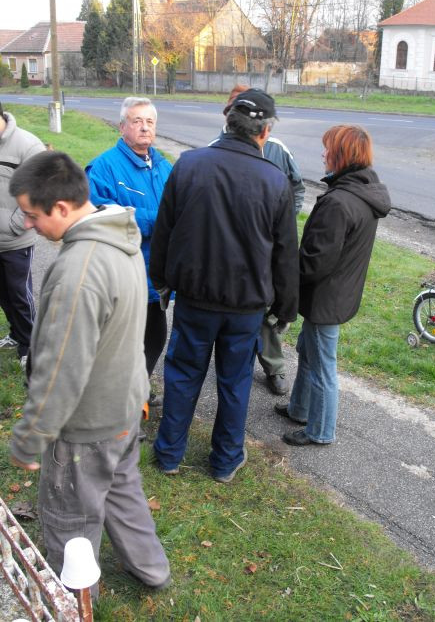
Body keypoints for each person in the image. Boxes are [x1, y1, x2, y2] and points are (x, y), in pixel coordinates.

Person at [9, 151, 170, 593]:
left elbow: (61, 368)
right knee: (123, 494)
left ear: (61, 208)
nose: (27, 225)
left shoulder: (77, 273)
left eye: (31, 214)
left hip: (86, 425)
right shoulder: (121, 234)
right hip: (123, 409)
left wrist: (31, 437)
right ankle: (152, 570)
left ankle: (75, 600)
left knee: (69, 517)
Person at [150, 88, 299, 483]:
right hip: (243, 305)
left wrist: (162, 282)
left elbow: (164, 233)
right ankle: (225, 460)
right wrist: (286, 307)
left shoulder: (189, 165)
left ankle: (169, 454)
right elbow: (285, 253)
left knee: (182, 375)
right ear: (264, 132)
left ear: (229, 121)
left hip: (197, 298)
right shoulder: (274, 179)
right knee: (234, 383)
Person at [275, 125, 391, 446]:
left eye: (328, 148)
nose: (323, 153)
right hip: (337, 294)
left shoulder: (340, 202)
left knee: (323, 366)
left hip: (325, 297)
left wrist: (285, 277)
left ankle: (320, 431)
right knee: (308, 352)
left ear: (341, 155)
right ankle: (299, 408)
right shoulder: (361, 193)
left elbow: (315, 262)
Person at [213, 85, 305, 396]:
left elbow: (297, 188)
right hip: (229, 251)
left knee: (267, 314)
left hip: (267, 248)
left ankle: (274, 368)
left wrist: (283, 224)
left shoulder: (278, 149)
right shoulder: (214, 150)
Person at [86, 97, 172, 394]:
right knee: (120, 343)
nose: (144, 127)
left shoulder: (164, 166)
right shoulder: (103, 167)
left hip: (155, 275)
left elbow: (180, 209)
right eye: (136, 121)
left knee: (155, 336)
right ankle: (118, 399)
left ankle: (138, 389)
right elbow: (99, 214)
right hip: (123, 273)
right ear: (122, 127)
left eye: (150, 122)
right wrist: (157, 221)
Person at [0, 101, 45, 368]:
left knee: (20, 295)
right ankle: (17, 335)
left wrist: (15, 224)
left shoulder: (28, 146)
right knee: (3, 295)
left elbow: (40, 192)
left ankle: (31, 345)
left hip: (16, 240)